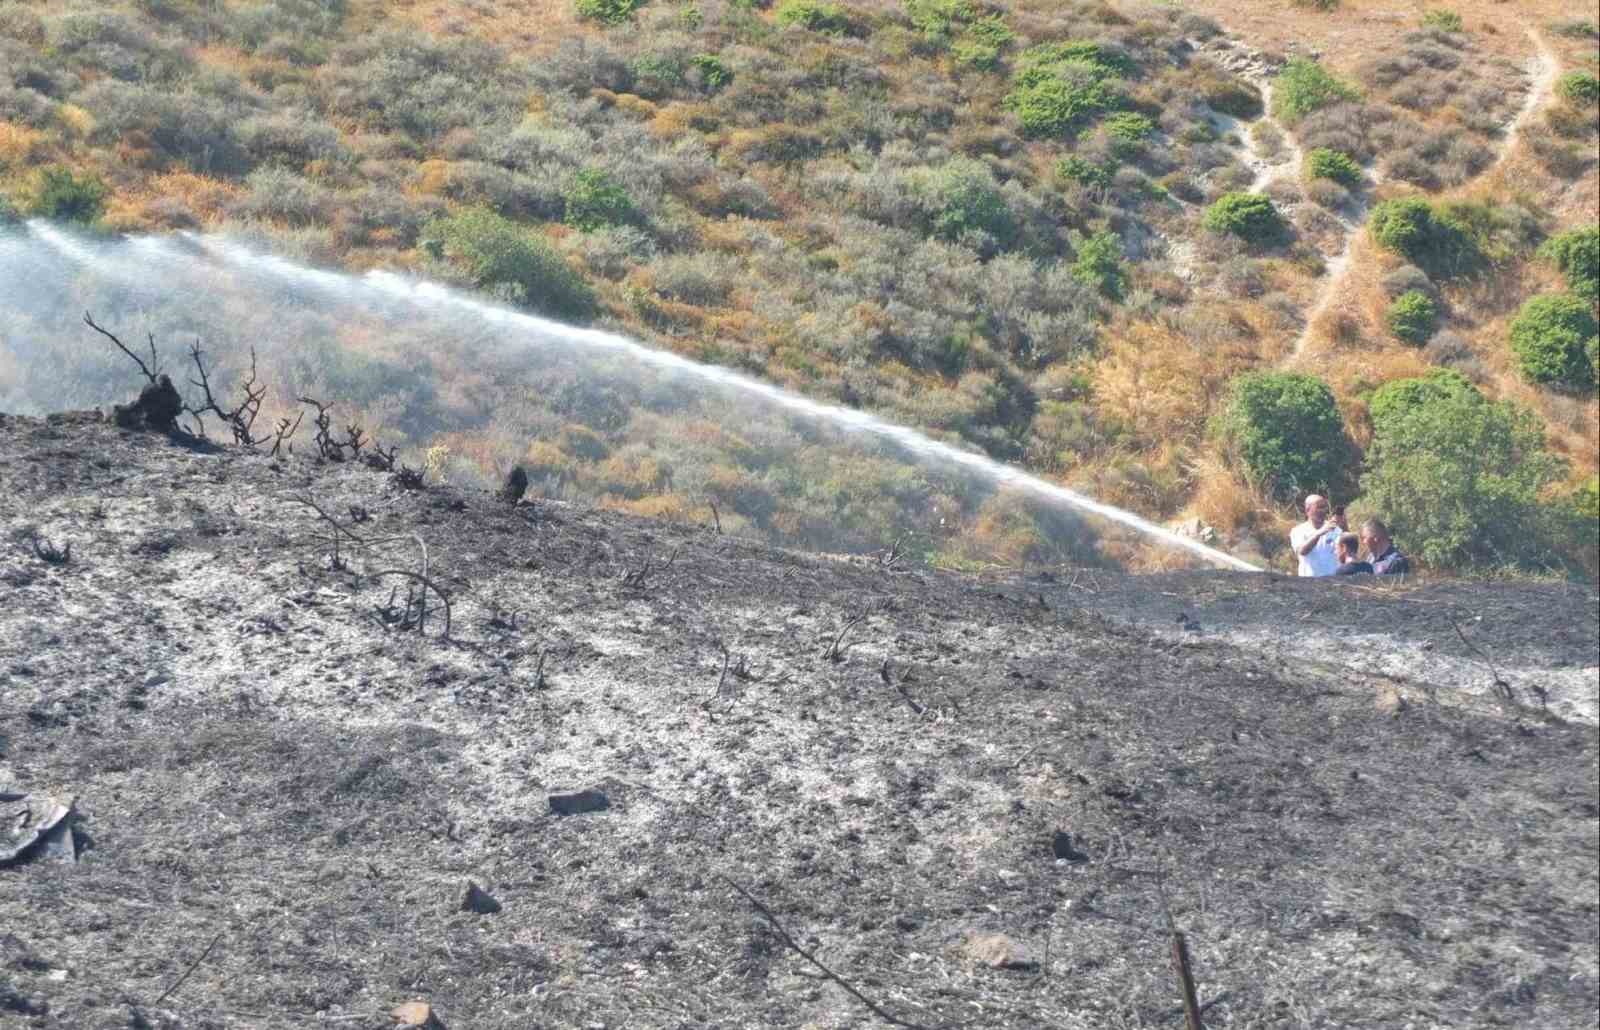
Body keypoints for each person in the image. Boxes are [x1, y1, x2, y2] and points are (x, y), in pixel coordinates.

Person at [1289, 494, 1341, 577]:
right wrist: (1319, 533)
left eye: (1324, 507)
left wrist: (1344, 526)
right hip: (1309, 583)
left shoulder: (1335, 529)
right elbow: (1302, 551)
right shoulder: (1298, 531)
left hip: (1333, 581)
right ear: (1307, 510)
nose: (1323, 511)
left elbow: (1346, 550)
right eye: (1319, 507)